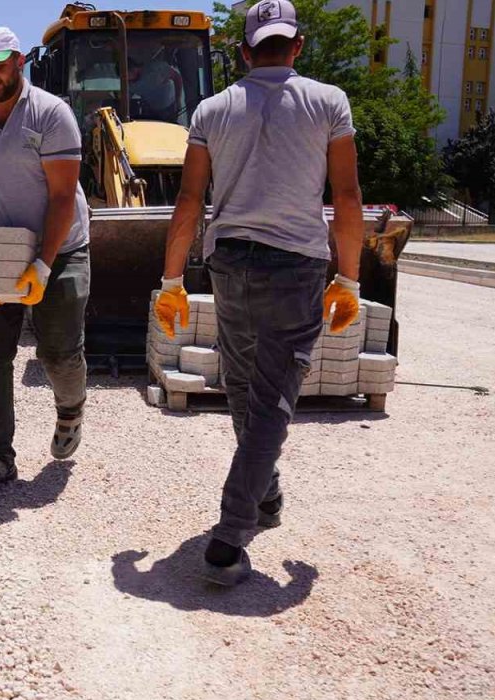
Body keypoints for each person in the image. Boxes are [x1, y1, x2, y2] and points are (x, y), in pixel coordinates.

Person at [155, 0, 363, 585]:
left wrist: (171, 281)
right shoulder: (329, 103)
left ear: (244, 52)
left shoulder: (212, 109)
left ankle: (265, 494)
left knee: (245, 384)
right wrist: (349, 277)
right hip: (296, 266)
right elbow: (346, 199)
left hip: (230, 263)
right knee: (272, 400)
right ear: (296, 46)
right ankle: (229, 535)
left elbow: (189, 204)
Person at [0, 27, 92, 491]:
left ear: (19, 60)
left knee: (57, 353)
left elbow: (62, 197)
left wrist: (44, 266)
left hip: (63, 247)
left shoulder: (52, 114)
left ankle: (70, 410)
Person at [127, 46, 184, 123]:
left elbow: (176, 77)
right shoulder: (130, 85)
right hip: (150, 110)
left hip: (169, 107)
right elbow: (127, 98)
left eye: (126, 75)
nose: (126, 79)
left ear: (133, 69)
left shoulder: (155, 68)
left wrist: (178, 100)